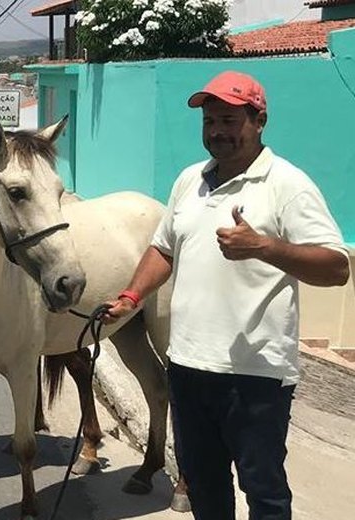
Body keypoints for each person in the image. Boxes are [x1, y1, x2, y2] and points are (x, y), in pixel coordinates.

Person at [103, 71, 350, 520]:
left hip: (255, 375)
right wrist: (130, 297)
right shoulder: (189, 181)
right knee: (204, 487)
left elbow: (337, 267)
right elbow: (163, 247)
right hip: (188, 367)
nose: (217, 131)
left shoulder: (286, 185)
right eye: (209, 121)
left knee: (264, 492)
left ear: (259, 121)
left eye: (229, 120)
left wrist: (265, 246)